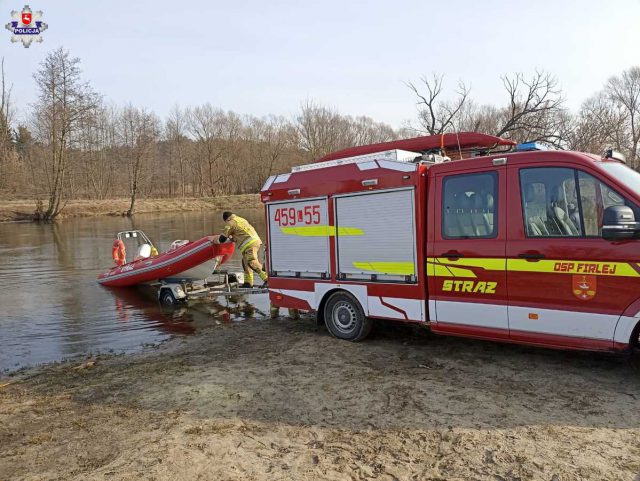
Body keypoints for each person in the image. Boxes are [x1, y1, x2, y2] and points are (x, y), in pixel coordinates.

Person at [219, 211, 268, 288]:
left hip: (249, 244)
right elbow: (240, 232)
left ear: (226, 220)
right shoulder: (241, 219)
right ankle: (248, 283)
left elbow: (222, 239)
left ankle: (267, 280)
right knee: (245, 262)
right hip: (255, 241)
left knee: (252, 262)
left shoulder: (230, 223)